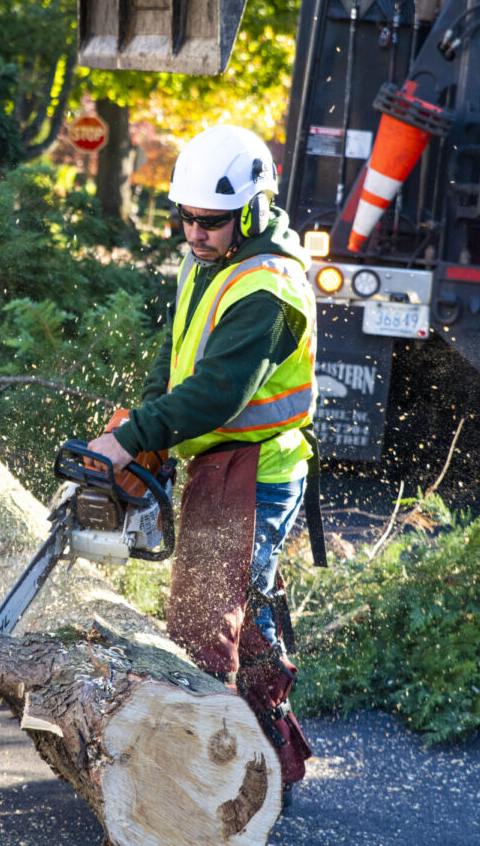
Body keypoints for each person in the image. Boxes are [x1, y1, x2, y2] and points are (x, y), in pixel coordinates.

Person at [87, 124, 318, 798]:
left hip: (258, 473)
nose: (194, 232)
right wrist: (147, 421)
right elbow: (177, 360)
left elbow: (220, 391)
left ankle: (234, 772)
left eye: (210, 221)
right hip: (215, 461)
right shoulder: (209, 260)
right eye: (185, 217)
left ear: (249, 210)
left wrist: (135, 440)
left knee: (214, 622)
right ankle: (261, 761)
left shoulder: (267, 288)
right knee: (222, 617)